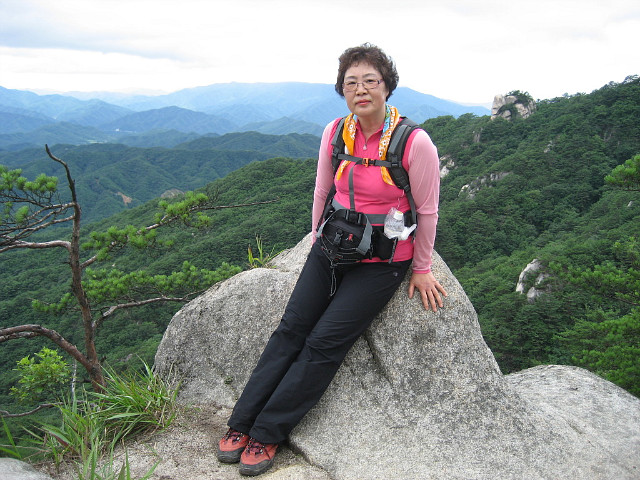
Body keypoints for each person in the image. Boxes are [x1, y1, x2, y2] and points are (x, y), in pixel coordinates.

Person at [216, 43, 447, 477]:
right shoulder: (336, 132)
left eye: (370, 81)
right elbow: (323, 190)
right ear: (342, 90)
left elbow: (429, 210)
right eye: (351, 83)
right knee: (290, 329)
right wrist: (313, 240)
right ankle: (241, 422)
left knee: (323, 344)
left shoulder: (414, 143)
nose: (361, 90)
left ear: (387, 87)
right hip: (332, 246)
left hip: (382, 260)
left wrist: (421, 268)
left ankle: (268, 432)